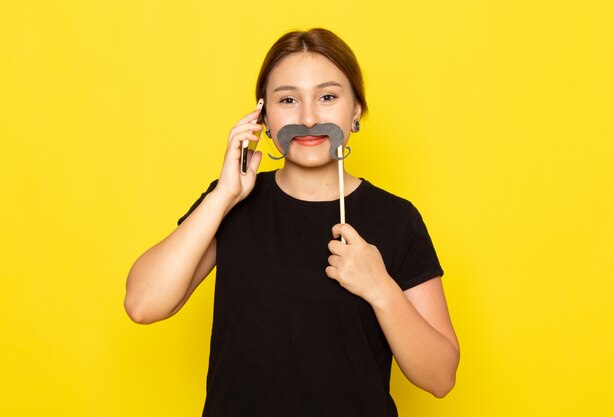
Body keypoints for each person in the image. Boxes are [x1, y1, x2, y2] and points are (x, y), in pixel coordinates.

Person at [125, 28, 460, 417]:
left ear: (355, 111)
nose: (308, 117)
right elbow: (143, 305)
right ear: (263, 116)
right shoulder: (233, 203)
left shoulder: (396, 218)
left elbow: (440, 378)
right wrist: (223, 196)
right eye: (288, 100)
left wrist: (380, 287)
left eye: (328, 97)